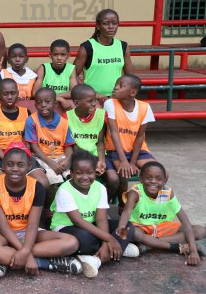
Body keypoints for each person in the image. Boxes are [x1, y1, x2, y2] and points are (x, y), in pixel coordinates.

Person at [0, 148, 82, 277]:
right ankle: (44, 262)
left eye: (20, 165)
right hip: (1, 232)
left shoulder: (37, 187)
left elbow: (33, 225)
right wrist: (27, 255)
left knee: (71, 242)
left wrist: (25, 251)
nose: (15, 169)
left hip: (29, 231)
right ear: (3, 165)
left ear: (29, 166)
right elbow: (3, 226)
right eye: (10, 164)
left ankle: (7, 261)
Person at [50, 149, 139, 278]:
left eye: (89, 173)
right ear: (72, 173)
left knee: (127, 227)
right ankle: (117, 249)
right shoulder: (65, 190)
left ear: (95, 173)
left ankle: (97, 258)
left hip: (92, 225)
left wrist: (105, 243)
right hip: (67, 228)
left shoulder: (100, 188)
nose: (85, 177)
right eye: (79, 173)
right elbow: (78, 222)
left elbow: (101, 219)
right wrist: (110, 238)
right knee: (86, 238)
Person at [117, 162, 206, 266]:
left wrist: (193, 251)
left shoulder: (168, 193)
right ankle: (175, 247)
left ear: (165, 181)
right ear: (141, 178)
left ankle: (150, 244)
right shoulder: (136, 192)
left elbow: (185, 222)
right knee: (134, 233)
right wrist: (121, 228)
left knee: (200, 231)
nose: (153, 181)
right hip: (142, 228)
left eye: (158, 179)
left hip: (163, 228)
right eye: (148, 178)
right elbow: (126, 212)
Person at [0, 78, 46, 188]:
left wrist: (23, 153)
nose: (9, 97)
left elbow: (27, 140)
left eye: (13, 93)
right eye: (5, 94)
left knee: (43, 183)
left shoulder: (26, 112)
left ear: (17, 94)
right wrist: (7, 157)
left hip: (21, 154)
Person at [104, 75, 156, 204]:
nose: (115, 87)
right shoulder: (110, 103)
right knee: (124, 173)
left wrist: (132, 162)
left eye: (120, 86)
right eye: (116, 84)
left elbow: (140, 137)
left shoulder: (145, 107)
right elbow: (114, 133)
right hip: (116, 150)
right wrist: (124, 161)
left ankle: (151, 205)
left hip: (138, 151)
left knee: (156, 171)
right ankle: (123, 205)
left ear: (133, 92)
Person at [63, 84, 118, 201]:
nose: (94, 103)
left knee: (113, 179)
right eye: (90, 101)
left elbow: (100, 142)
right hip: (77, 156)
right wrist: (93, 162)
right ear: (76, 103)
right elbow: (72, 145)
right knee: (78, 178)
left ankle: (103, 204)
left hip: (97, 155)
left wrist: (101, 161)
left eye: (95, 100)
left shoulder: (100, 115)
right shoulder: (66, 117)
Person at [74, 9, 133, 100]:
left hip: (116, 99)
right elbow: (73, 75)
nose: (111, 27)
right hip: (93, 99)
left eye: (114, 23)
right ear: (98, 25)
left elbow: (130, 77)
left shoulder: (123, 46)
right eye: (106, 23)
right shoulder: (87, 47)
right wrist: (93, 93)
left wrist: (121, 93)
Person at [25, 87, 75, 186]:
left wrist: (67, 160)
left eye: (47, 102)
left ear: (55, 104)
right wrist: (50, 163)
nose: (43, 105)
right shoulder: (32, 121)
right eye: (39, 102)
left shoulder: (64, 122)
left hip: (60, 156)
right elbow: (34, 146)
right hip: (41, 157)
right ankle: (55, 191)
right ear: (35, 105)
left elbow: (68, 146)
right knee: (53, 177)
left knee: (71, 174)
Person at [32, 39, 78, 110]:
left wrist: (55, 96)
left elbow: (74, 93)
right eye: (55, 54)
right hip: (45, 107)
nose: (59, 58)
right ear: (50, 55)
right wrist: (60, 99)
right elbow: (35, 93)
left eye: (63, 55)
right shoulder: (43, 68)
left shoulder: (70, 69)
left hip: (64, 107)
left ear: (69, 55)